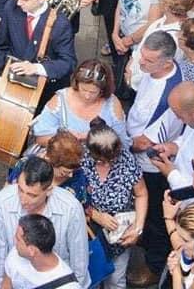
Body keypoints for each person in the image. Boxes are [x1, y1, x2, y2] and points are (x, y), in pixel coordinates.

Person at [126, 30, 183, 286]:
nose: (141, 64)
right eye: (142, 57)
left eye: (148, 62)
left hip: (150, 165)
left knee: (155, 218)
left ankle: (153, 265)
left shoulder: (168, 99)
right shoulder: (154, 73)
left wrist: (121, 145)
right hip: (137, 145)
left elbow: (145, 143)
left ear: (167, 62)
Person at [0, 155, 90, 289]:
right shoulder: (3, 202)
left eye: (32, 195)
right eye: (20, 190)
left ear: (49, 190)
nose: (23, 199)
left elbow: (79, 262)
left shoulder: (71, 209)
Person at [0, 0, 76, 109]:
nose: (18, 3)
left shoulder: (61, 24)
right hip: (12, 86)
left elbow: (68, 63)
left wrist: (36, 68)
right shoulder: (10, 9)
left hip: (45, 93)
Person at [82, 119, 147, 289]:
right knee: (90, 280)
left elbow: (141, 194)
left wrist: (138, 228)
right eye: (102, 161)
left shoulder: (126, 160)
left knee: (116, 281)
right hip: (89, 233)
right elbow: (70, 195)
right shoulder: (81, 160)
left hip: (119, 234)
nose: (108, 164)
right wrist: (95, 214)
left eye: (112, 159)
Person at [32, 59, 130, 148]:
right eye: (83, 89)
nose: (87, 96)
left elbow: (122, 143)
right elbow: (41, 138)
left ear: (102, 90)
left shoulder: (112, 104)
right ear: (77, 83)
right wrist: (66, 140)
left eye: (93, 92)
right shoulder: (60, 100)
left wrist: (94, 139)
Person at [1, 214, 81, 289]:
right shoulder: (16, 254)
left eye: (18, 239)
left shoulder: (69, 286)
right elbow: (6, 284)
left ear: (32, 250)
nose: (15, 241)